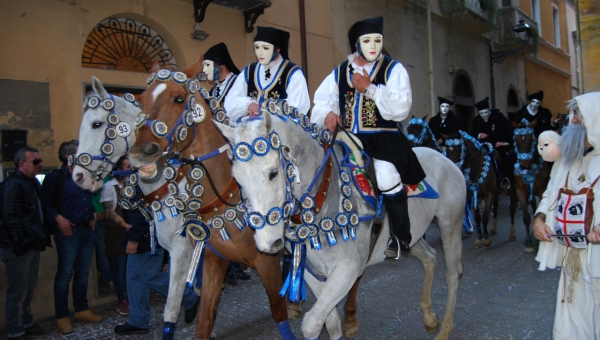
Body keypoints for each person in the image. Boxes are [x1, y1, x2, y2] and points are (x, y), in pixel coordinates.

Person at [310, 16, 426, 260]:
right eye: (367, 40)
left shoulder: (393, 69)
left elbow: (401, 107)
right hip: (349, 137)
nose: (373, 45)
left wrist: (370, 88)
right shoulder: (341, 71)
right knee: (325, 168)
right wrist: (329, 113)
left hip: (384, 138)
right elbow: (320, 102)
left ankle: (400, 238)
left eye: (378, 40)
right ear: (356, 45)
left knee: (385, 176)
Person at [532, 92, 600, 339]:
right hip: (574, 254)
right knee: (571, 314)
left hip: (598, 255)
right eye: (572, 114)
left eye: (579, 114)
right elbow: (550, 194)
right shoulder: (565, 161)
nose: (572, 120)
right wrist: (539, 219)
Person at [114, 185, 200, 335]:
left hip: (149, 236)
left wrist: (134, 238)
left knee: (149, 275)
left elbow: (143, 212)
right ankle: (138, 321)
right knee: (133, 277)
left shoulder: (137, 179)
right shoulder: (124, 181)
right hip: (140, 235)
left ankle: (188, 297)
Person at [41, 140, 102, 334]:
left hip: (86, 230)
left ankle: (81, 309)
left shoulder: (82, 176)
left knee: (83, 272)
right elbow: (46, 204)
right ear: (69, 156)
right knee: (65, 274)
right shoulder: (55, 178)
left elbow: (87, 200)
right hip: (69, 232)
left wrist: (92, 213)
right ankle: (62, 316)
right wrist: (59, 219)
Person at [0, 147, 49, 339]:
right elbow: (9, 218)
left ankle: (25, 322)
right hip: (18, 248)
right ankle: (15, 330)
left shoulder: (31, 183)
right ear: (22, 164)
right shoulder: (12, 185)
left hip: (30, 245)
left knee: (28, 288)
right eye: (36, 162)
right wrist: (20, 245)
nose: (40, 164)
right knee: (18, 291)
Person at [224, 26, 310, 122]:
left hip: (279, 133)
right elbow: (229, 103)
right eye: (257, 47)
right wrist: (248, 105)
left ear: (277, 49)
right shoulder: (249, 71)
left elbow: (299, 107)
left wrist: (268, 109)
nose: (260, 53)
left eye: (265, 48)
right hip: (250, 131)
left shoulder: (293, 73)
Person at [100, 155, 130, 315]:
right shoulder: (109, 187)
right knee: (119, 268)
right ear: (118, 170)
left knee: (130, 269)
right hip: (117, 232)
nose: (130, 170)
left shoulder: (132, 185)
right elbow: (109, 212)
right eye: (127, 167)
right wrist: (127, 225)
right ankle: (122, 300)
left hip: (130, 231)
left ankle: (132, 296)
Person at [469, 97, 513, 189]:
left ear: (489, 111)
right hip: (482, 146)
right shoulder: (476, 120)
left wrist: (502, 142)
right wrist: (479, 135)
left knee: (503, 157)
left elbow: (508, 129)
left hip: (497, 144)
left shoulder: (498, 117)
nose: (484, 115)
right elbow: (472, 133)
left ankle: (506, 179)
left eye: (486, 112)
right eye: (481, 113)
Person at [92, 176, 115, 295]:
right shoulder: (93, 176)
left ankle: (115, 279)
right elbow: (91, 195)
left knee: (115, 249)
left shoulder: (109, 176)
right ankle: (108, 280)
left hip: (113, 217)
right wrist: (99, 211)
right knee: (103, 251)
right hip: (101, 219)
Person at [202, 42, 240, 108]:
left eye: (207, 65)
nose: (204, 70)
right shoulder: (212, 92)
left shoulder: (239, 83)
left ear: (219, 64)